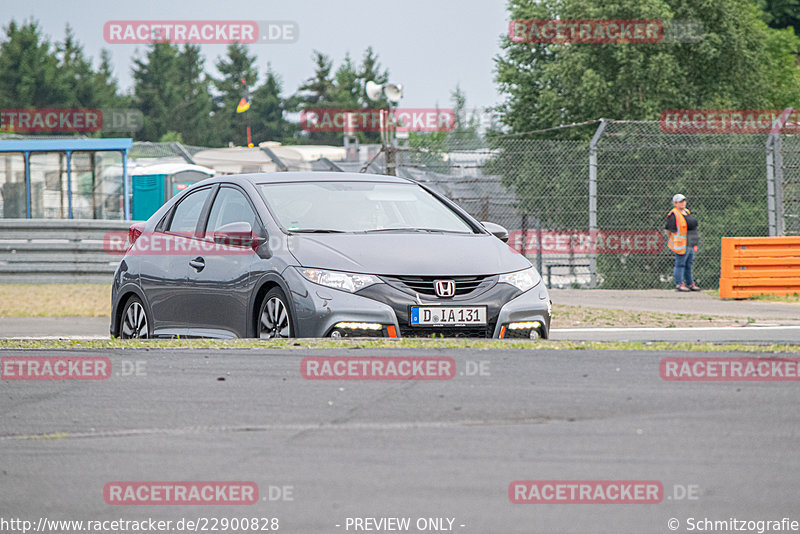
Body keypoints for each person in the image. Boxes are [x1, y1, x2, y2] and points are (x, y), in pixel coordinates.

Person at [665, 193, 700, 292]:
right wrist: (674, 240)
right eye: (680, 202)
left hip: (691, 242)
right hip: (682, 244)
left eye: (684, 201)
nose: (683, 203)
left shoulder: (686, 212)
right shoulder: (674, 214)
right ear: (675, 203)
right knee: (680, 264)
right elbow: (668, 229)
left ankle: (690, 284)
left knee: (689, 264)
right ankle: (679, 284)